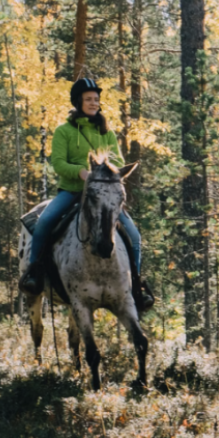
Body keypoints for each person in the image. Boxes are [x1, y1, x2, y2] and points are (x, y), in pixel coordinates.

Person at [19, 78, 155, 312]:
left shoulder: (106, 132)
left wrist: (105, 175)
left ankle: (137, 285)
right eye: (88, 99)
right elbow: (58, 163)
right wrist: (82, 173)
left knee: (134, 235)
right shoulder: (64, 131)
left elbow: (119, 162)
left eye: (96, 99)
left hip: (103, 197)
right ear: (78, 102)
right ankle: (34, 274)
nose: (94, 103)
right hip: (72, 191)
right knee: (43, 224)